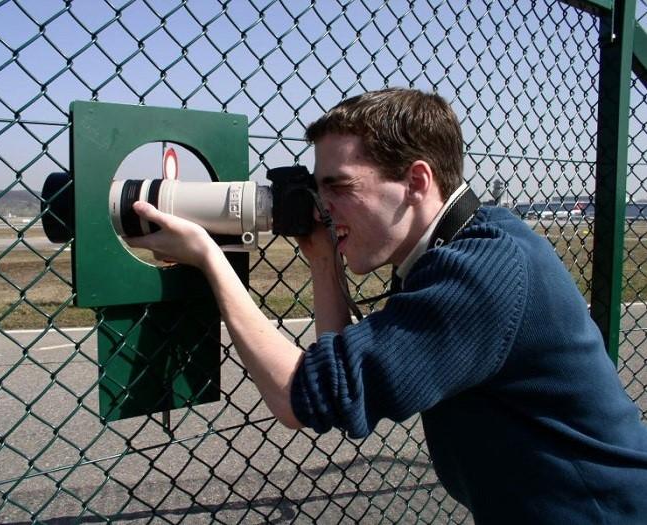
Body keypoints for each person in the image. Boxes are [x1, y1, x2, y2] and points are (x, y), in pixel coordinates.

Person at [126, 88, 647, 523]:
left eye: (339, 187)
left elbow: (301, 397)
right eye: (318, 190)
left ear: (416, 182)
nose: (323, 207)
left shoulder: (481, 275)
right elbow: (339, 373)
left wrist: (209, 258)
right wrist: (324, 261)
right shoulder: (460, 245)